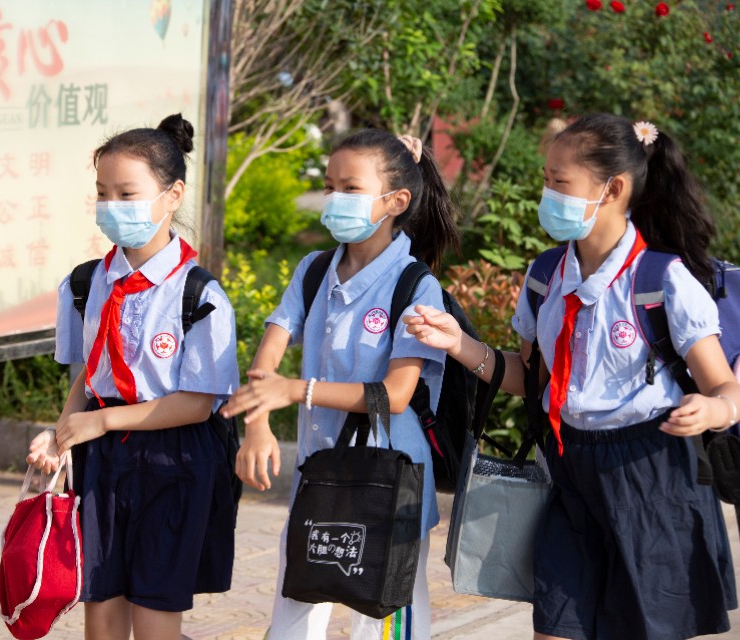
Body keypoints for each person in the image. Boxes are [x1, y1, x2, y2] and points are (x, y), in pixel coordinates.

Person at [405, 113, 740, 640]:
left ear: (614, 189)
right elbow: (531, 380)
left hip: (651, 475)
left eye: (560, 181)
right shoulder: (545, 276)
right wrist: (460, 345)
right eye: (546, 179)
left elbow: (725, 386)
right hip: (568, 470)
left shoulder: (661, 280)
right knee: (556, 627)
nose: (548, 193)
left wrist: (713, 410)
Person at [220, 129, 459, 639]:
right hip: (321, 473)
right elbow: (270, 354)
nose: (333, 200)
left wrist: (296, 390)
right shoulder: (312, 272)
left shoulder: (416, 286)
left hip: (393, 484)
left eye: (350, 188)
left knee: (387, 625)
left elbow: (394, 397)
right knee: (292, 618)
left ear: (396, 202)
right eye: (329, 187)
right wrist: (258, 424)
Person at [25, 114, 240, 640]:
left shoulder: (200, 295)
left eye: (128, 193)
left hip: (176, 459)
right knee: (100, 601)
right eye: (103, 193)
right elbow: (89, 377)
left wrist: (100, 423)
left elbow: (197, 403)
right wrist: (61, 433)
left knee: (155, 609)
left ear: (173, 195)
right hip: (104, 459)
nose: (112, 207)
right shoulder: (83, 284)